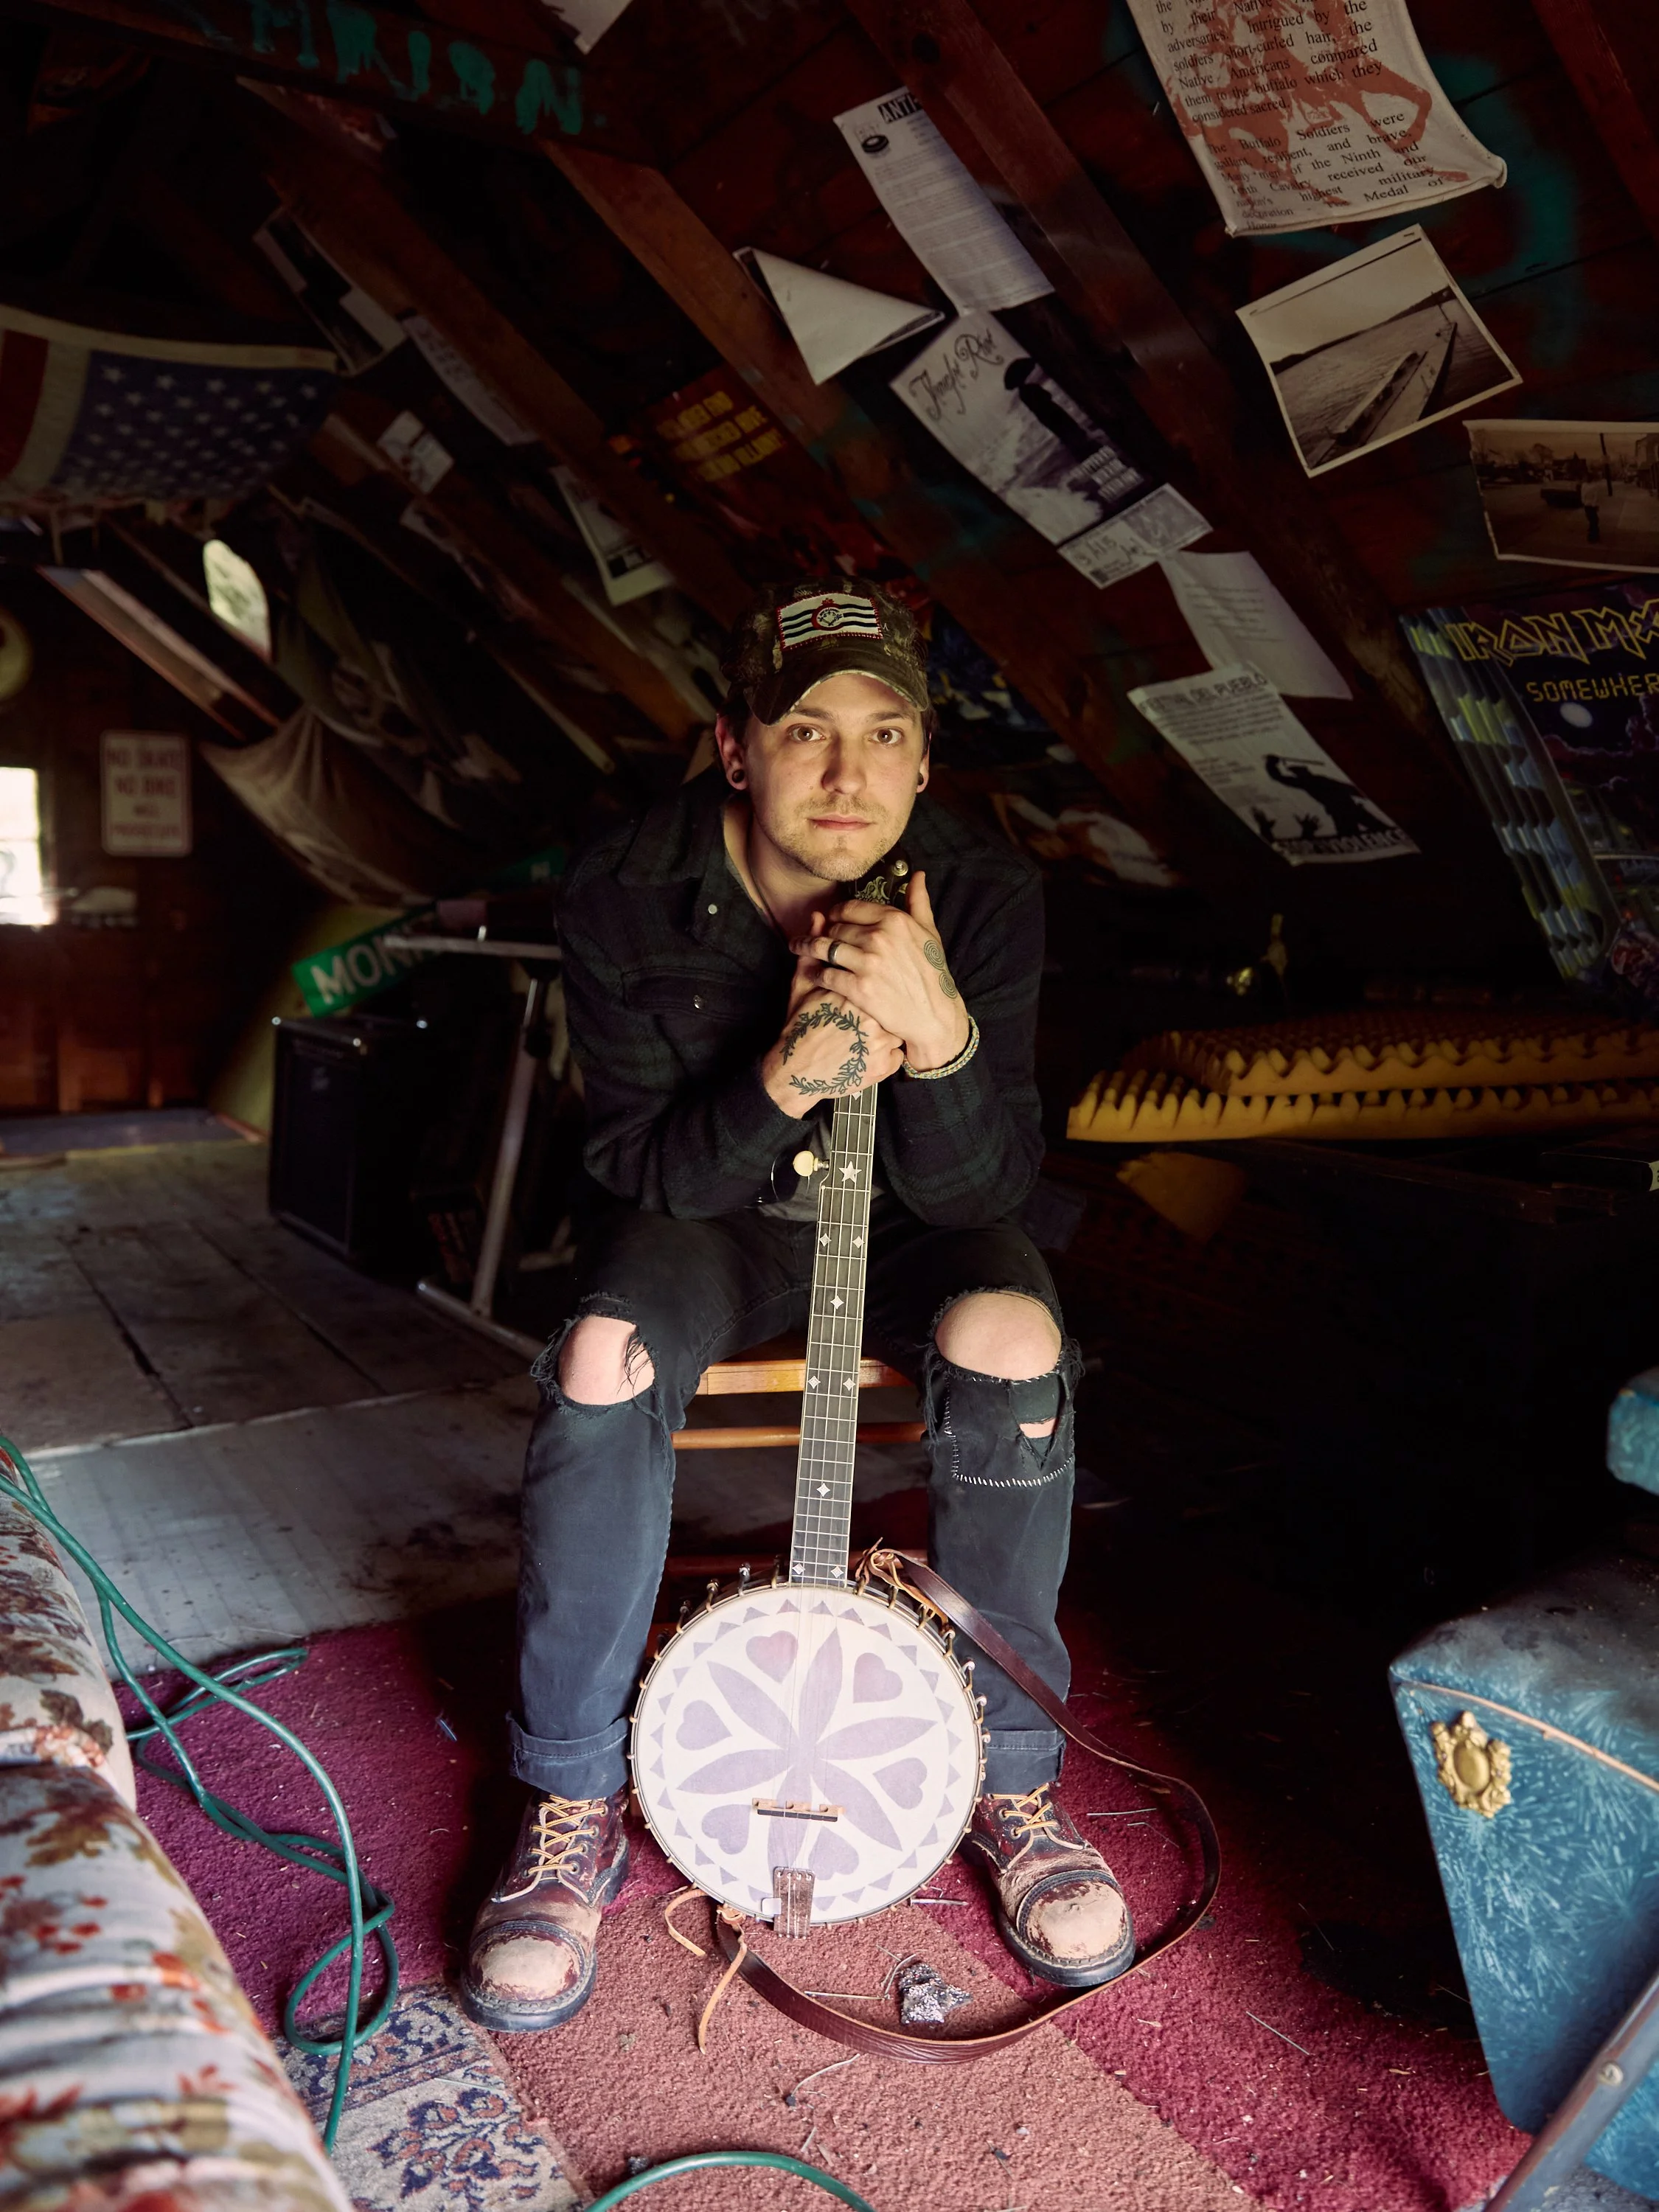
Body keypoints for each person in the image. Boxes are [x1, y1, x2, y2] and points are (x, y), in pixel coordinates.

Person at [461, 579, 1133, 2033]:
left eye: (885, 735)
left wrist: (938, 1032)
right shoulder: (624, 883)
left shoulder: (987, 889)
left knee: (1015, 1336)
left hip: (912, 1224)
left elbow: (986, 1190)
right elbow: (643, 1166)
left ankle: (1012, 1778)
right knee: (601, 1356)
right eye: (806, 731)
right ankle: (569, 1799)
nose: (847, 774)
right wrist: (787, 1073)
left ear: (926, 761)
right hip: (716, 1215)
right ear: (735, 748)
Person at [1582, 473, 1604, 544]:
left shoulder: (1586, 485)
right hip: (1590, 505)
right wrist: (1594, 505)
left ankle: (1593, 535)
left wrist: (1585, 502)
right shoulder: (1592, 486)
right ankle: (1594, 535)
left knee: (1592, 520)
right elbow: (1595, 496)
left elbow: (1583, 495)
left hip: (1588, 505)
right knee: (1593, 520)